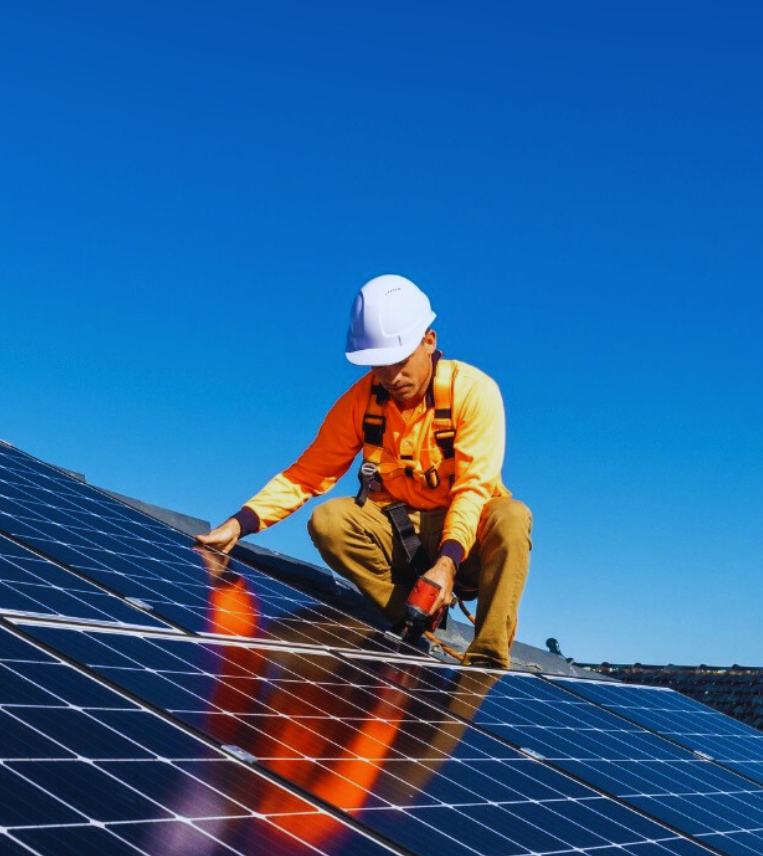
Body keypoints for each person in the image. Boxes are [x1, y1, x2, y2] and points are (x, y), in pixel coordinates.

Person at [195, 275, 532, 668]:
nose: (391, 378)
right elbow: (308, 473)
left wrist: (447, 563)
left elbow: (474, 490)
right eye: (380, 365)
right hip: (399, 531)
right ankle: (414, 619)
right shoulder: (362, 401)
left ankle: (487, 659)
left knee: (511, 517)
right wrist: (240, 523)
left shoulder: (474, 392)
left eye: (401, 362)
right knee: (330, 520)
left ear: (429, 341)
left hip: (467, 542)